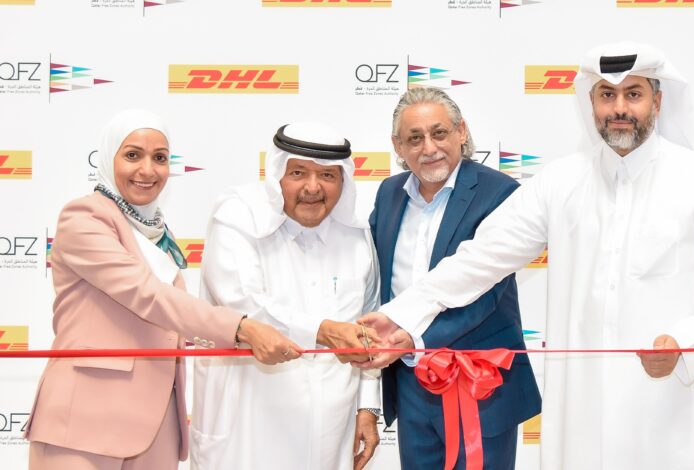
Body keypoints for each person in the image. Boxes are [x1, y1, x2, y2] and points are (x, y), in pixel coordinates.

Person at [360, 42, 694, 470]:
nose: (619, 108)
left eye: (633, 94)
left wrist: (685, 343)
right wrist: (399, 315)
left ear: (657, 102)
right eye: (607, 94)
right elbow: (480, 259)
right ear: (591, 102)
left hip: (665, 399)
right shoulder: (560, 182)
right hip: (581, 405)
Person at [24, 109, 300, 470]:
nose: (148, 170)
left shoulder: (156, 232)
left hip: (156, 427)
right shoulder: (84, 218)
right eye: (132, 155)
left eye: (160, 158)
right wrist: (241, 328)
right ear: (108, 158)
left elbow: (170, 324)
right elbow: (148, 295)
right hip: (82, 425)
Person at [364, 87, 540, 469]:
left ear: (461, 131)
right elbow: (381, 282)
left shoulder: (499, 192)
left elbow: (486, 292)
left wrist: (416, 338)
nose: (429, 148)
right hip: (409, 381)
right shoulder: (389, 193)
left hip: (479, 382)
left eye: (439, 133)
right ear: (398, 145)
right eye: (415, 138)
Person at [190, 122, 382, 470]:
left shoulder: (356, 237)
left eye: (327, 175)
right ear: (278, 173)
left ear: (343, 181)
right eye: (298, 173)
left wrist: (367, 407)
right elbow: (243, 306)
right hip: (247, 422)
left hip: (330, 427)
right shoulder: (237, 216)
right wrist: (323, 331)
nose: (312, 187)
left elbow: (370, 324)